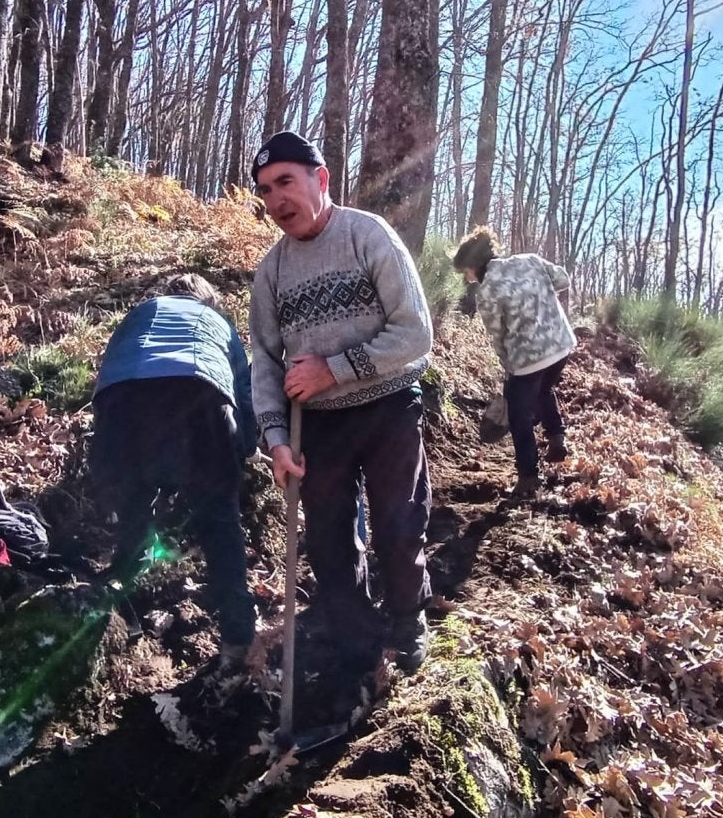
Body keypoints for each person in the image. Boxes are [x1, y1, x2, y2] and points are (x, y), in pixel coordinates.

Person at [248, 130, 434, 671]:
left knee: (398, 523)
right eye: (265, 190)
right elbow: (265, 361)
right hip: (317, 422)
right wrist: (276, 440)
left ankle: (407, 619)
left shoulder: (367, 235)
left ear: (321, 179)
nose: (277, 200)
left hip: (388, 406)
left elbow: (416, 333)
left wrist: (333, 368)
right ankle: (353, 633)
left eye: (286, 182)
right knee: (328, 536)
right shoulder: (272, 270)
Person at [90, 273, 257, 668]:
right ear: (209, 301)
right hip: (199, 391)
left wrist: (109, 453)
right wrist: (243, 450)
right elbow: (244, 391)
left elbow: (110, 372)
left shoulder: (140, 313)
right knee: (219, 519)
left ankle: (122, 598)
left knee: (132, 504)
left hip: (123, 400)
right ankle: (237, 638)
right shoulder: (218, 322)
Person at [452, 227, 576, 499]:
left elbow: (497, 335)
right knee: (543, 390)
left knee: (519, 416)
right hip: (562, 345)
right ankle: (557, 440)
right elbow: (563, 279)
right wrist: (539, 296)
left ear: (473, 265)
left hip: (527, 359)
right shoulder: (529, 260)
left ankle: (528, 478)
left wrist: (508, 367)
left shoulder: (487, 290)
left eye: (466, 272)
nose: (466, 278)